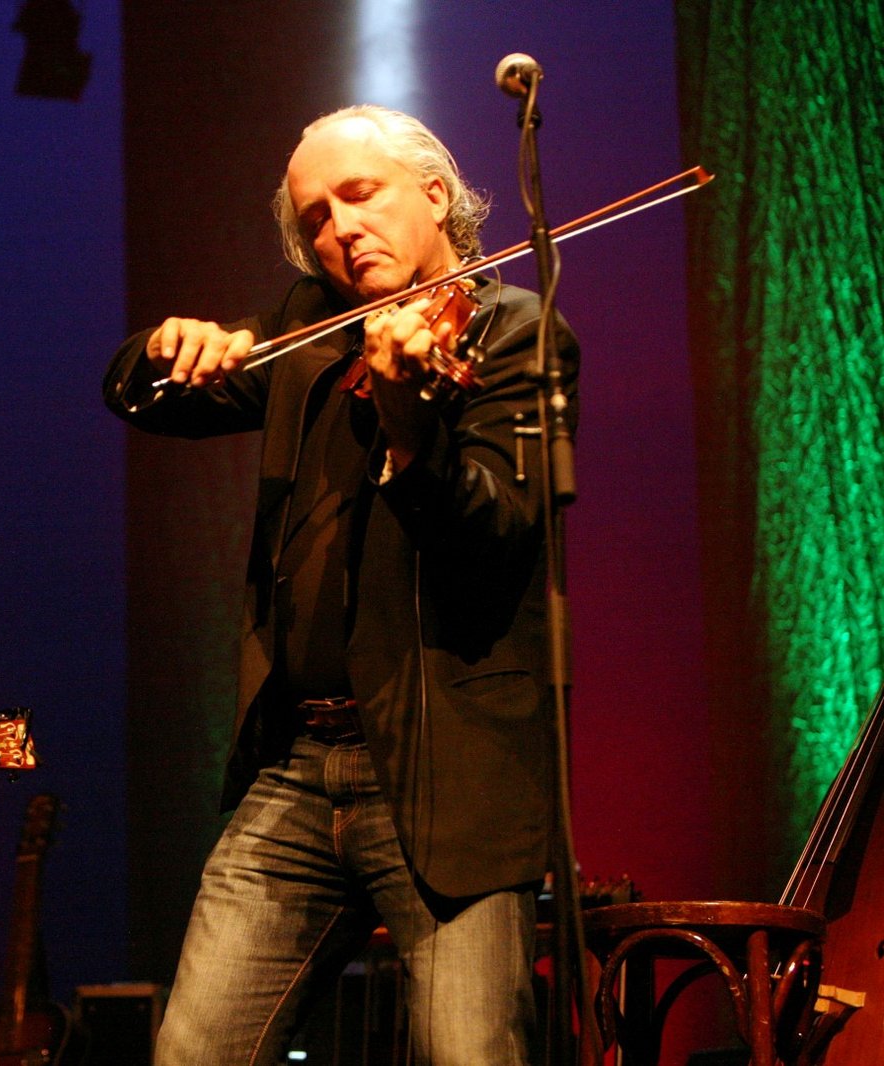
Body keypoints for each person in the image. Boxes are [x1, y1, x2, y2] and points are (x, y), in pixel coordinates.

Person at [103, 105, 578, 1065]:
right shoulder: (308, 325)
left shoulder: (515, 332)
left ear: (434, 194)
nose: (341, 230)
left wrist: (408, 416)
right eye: (316, 217)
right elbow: (150, 403)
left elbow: (495, 531)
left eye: (360, 196)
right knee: (194, 1052)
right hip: (297, 766)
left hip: (450, 772)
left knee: (469, 1054)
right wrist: (158, 351)